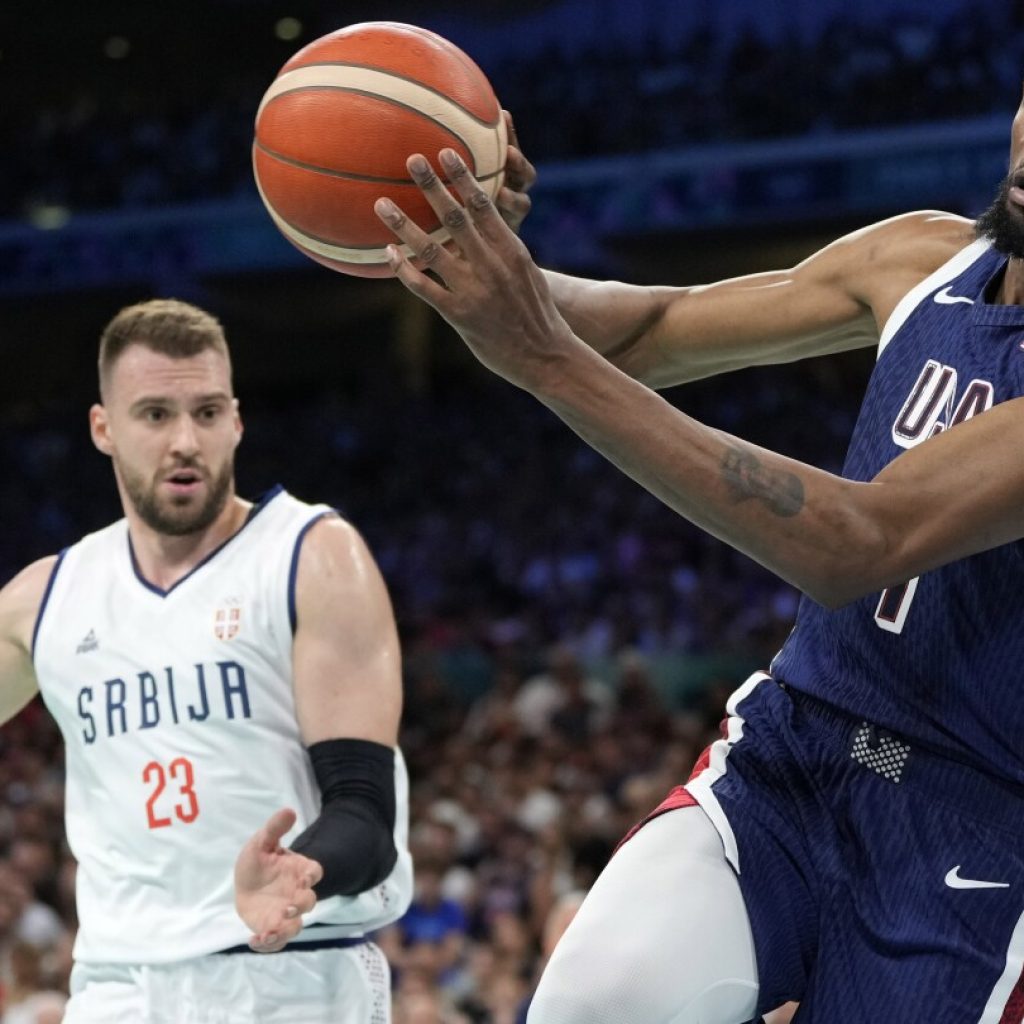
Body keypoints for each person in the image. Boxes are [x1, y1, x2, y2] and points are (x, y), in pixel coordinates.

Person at [371, 95, 1024, 1024]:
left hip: (978, 828)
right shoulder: (923, 256)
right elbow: (653, 329)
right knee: (593, 1007)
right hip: (797, 752)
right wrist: (482, 263)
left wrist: (545, 358)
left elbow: (858, 543)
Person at [0, 299, 413, 1022]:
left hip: (287, 976)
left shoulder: (311, 555)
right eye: (155, 415)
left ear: (237, 421)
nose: (185, 440)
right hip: (118, 989)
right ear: (104, 428)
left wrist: (301, 871)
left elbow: (365, 815)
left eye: (207, 412)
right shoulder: (45, 601)